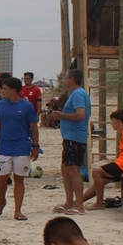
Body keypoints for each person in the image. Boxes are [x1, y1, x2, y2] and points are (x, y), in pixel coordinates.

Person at [0, 77, 39, 220]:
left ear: (13, 90)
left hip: (22, 147)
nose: (2, 91)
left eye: (4, 89)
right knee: (2, 178)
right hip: (4, 147)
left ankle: (18, 211)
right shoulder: (0, 105)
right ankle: (2, 200)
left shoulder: (27, 106)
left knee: (19, 179)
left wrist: (35, 146)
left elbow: (34, 127)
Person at [81, 109, 123, 210]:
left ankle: (99, 203)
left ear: (118, 122)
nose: (111, 123)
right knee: (100, 181)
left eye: (112, 121)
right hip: (122, 163)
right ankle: (78, 202)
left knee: (96, 172)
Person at [51, 69, 91, 216]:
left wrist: (62, 116)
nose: (64, 81)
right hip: (69, 137)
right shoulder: (74, 94)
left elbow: (80, 115)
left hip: (75, 137)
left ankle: (79, 205)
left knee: (74, 170)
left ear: (72, 79)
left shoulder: (78, 94)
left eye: (66, 78)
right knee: (65, 168)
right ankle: (69, 202)